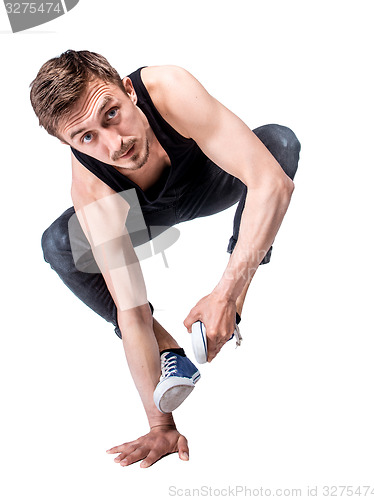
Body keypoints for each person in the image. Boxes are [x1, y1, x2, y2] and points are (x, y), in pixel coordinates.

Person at [30, 50, 300, 468]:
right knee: (58, 244)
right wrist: (161, 426)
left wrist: (227, 294)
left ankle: (228, 311)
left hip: (211, 179)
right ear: (69, 144)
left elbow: (272, 184)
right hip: (142, 216)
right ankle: (170, 349)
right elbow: (132, 312)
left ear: (129, 90)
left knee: (278, 143)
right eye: (86, 137)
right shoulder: (92, 188)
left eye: (111, 114)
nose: (114, 144)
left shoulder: (169, 89)